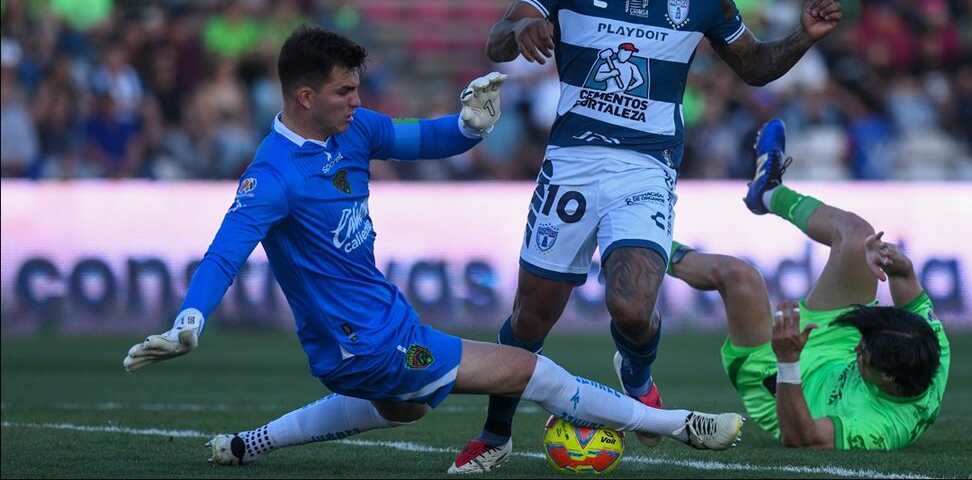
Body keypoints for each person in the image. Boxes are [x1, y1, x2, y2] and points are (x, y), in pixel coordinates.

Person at [122, 25, 745, 467]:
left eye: (357, 88)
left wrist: (472, 125)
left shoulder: (355, 130)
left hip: (382, 320)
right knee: (528, 369)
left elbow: (424, 139)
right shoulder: (272, 177)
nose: (357, 101)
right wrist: (191, 315)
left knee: (403, 412)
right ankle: (679, 425)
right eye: (344, 91)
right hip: (364, 343)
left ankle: (248, 445)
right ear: (305, 97)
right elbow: (224, 252)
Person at [450, 0, 842, 472]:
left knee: (632, 308)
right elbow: (499, 39)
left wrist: (803, 38)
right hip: (572, 164)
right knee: (532, 317)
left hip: (646, 166)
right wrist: (519, 27)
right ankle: (497, 435)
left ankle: (634, 371)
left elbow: (756, 67)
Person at [668, 118, 950, 450]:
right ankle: (769, 192)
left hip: (784, 384)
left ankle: (637, 240)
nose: (859, 346)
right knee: (859, 236)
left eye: (865, 350)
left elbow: (802, 437)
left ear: (888, 376)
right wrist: (897, 264)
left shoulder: (880, 427)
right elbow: (906, 293)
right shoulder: (931, 344)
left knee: (738, 276)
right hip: (833, 345)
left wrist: (788, 359)